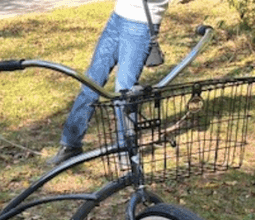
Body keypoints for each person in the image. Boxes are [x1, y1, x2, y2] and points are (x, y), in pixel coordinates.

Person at [47, 0, 170, 166]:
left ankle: (127, 151)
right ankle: (70, 145)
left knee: (124, 92)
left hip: (140, 25)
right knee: (91, 82)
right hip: (117, 18)